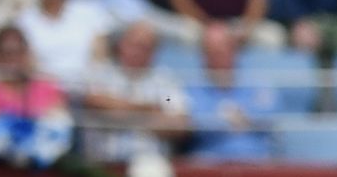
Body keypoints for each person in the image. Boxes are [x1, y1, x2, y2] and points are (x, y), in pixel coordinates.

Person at [83, 22, 190, 160]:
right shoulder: (101, 74)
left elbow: (179, 124)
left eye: (145, 47)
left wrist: (120, 112)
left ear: (155, 52)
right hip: (105, 163)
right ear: (121, 44)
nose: (138, 52)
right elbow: (95, 102)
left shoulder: (167, 82)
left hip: (152, 165)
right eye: (133, 45)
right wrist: (148, 110)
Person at [183, 21, 279, 160]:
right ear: (203, 56)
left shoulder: (259, 84)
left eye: (222, 51)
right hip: (207, 165)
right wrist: (229, 119)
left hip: (257, 164)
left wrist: (218, 118)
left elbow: (270, 115)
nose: (217, 58)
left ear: (234, 50)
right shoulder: (190, 88)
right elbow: (190, 124)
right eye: (211, 53)